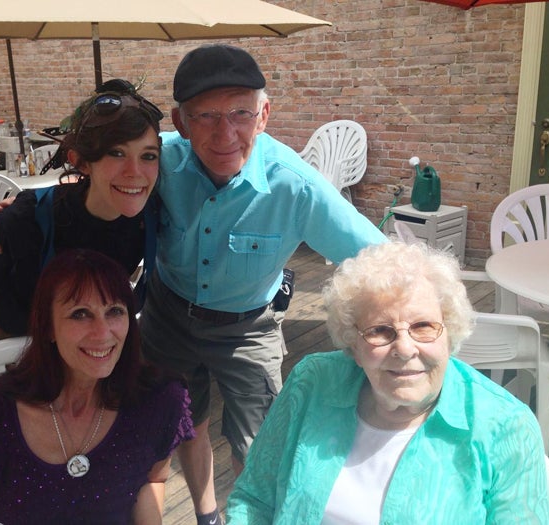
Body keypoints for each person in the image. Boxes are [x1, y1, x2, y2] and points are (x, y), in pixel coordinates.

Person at [138, 44, 388, 524]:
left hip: (246, 328)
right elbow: (96, 179)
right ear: (181, 121)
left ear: (264, 114)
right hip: (167, 317)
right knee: (171, 429)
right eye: (205, 116)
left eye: (240, 113)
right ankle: (207, 514)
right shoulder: (160, 159)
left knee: (260, 448)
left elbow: (378, 260)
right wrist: (12, 213)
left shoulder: (295, 184)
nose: (225, 133)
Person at [226, 241, 549, 524]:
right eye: (380, 331)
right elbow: (254, 498)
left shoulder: (506, 426)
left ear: (450, 332)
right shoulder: (312, 383)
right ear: (353, 344)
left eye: (423, 326)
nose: (405, 349)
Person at [0, 78, 164, 418]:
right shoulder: (29, 218)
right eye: (116, 153)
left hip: (92, 340)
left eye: (148, 156)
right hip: (22, 338)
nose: (136, 173)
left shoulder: (151, 215)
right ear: (81, 162)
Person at [0, 249, 195, 524]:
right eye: (80, 314)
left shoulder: (158, 402)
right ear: (48, 327)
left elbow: (153, 479)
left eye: (114, 311)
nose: (102, 333)